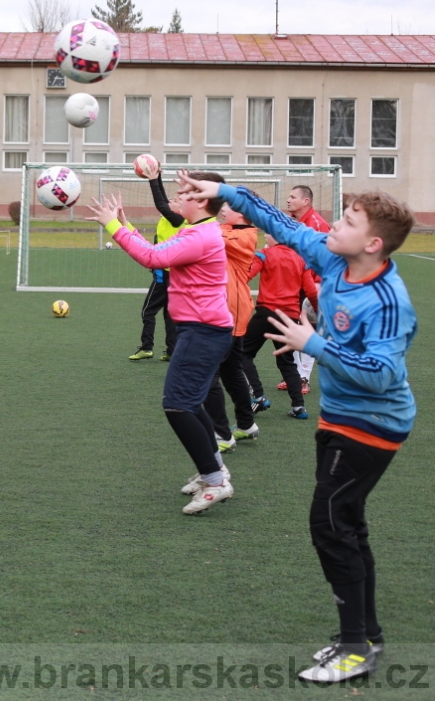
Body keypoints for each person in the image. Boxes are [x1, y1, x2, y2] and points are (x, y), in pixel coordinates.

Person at [179, 172, 416, 684]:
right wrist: (223, 194)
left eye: (348, 220)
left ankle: (355, 649)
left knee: (331, 523)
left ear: (373, 243)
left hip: (374, 424)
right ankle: (364, 636)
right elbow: (278, 222)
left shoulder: (388, 301)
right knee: (346, 523)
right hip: (340, 418)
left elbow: (383, 375)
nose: (333, 224)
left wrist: (314, 345)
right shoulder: (334, 256)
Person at [84, 174, 235, 515]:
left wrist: (113, 227)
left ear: (201, 201)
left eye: (185, 193)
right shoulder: (196, 230)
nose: (178, 197)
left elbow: (153, 259)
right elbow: (159, 251)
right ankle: (215, 470)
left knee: (177, 406)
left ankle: (215, 481)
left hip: (204, 332)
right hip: (200, 330)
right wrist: (125, 226)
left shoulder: (202, 234)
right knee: (191, 403)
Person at [203, 201, 260, 451]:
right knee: (231, 370)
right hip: (229, 310)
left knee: (209, 373)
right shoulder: (226, 228)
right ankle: (247, 425)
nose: (223, 210)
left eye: (230, 207)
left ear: (244, 215)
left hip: (231, 312)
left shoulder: (246, 235)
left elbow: (212, 234)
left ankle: (222, 434)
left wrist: (200, 218)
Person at [242, 234, 320, 418]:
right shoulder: (301, 259)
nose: (265, 236)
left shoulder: (265, 254)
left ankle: (259, 395)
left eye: (267, 233)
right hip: (290, 317)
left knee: (243, 353)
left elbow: (247, 275)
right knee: (288, 362)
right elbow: (311, 291)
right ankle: (299, 407)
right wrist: (317, 312)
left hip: (266, 314)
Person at [130, 173, 183, 361]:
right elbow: (163, 201)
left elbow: (160, 203)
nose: (171, 200)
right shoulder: (172, 217)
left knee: (148, 310)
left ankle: (146, 347)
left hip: (164, 273)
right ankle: (171, 351)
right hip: (173, 274)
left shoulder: (177, 219)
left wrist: (152, 180)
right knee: (169, 313)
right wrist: (157, 174)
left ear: (180, 209)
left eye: (176, 200)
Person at [285, 185, 330, 395]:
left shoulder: (318, 225)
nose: (288, 200)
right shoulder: (293, 222)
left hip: (312, 285)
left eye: (293, 197)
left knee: (309, 330)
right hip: (294, 283)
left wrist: (318, 287)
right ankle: (294, 376)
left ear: (306, 201)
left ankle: (304, 378)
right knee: (290, 328)